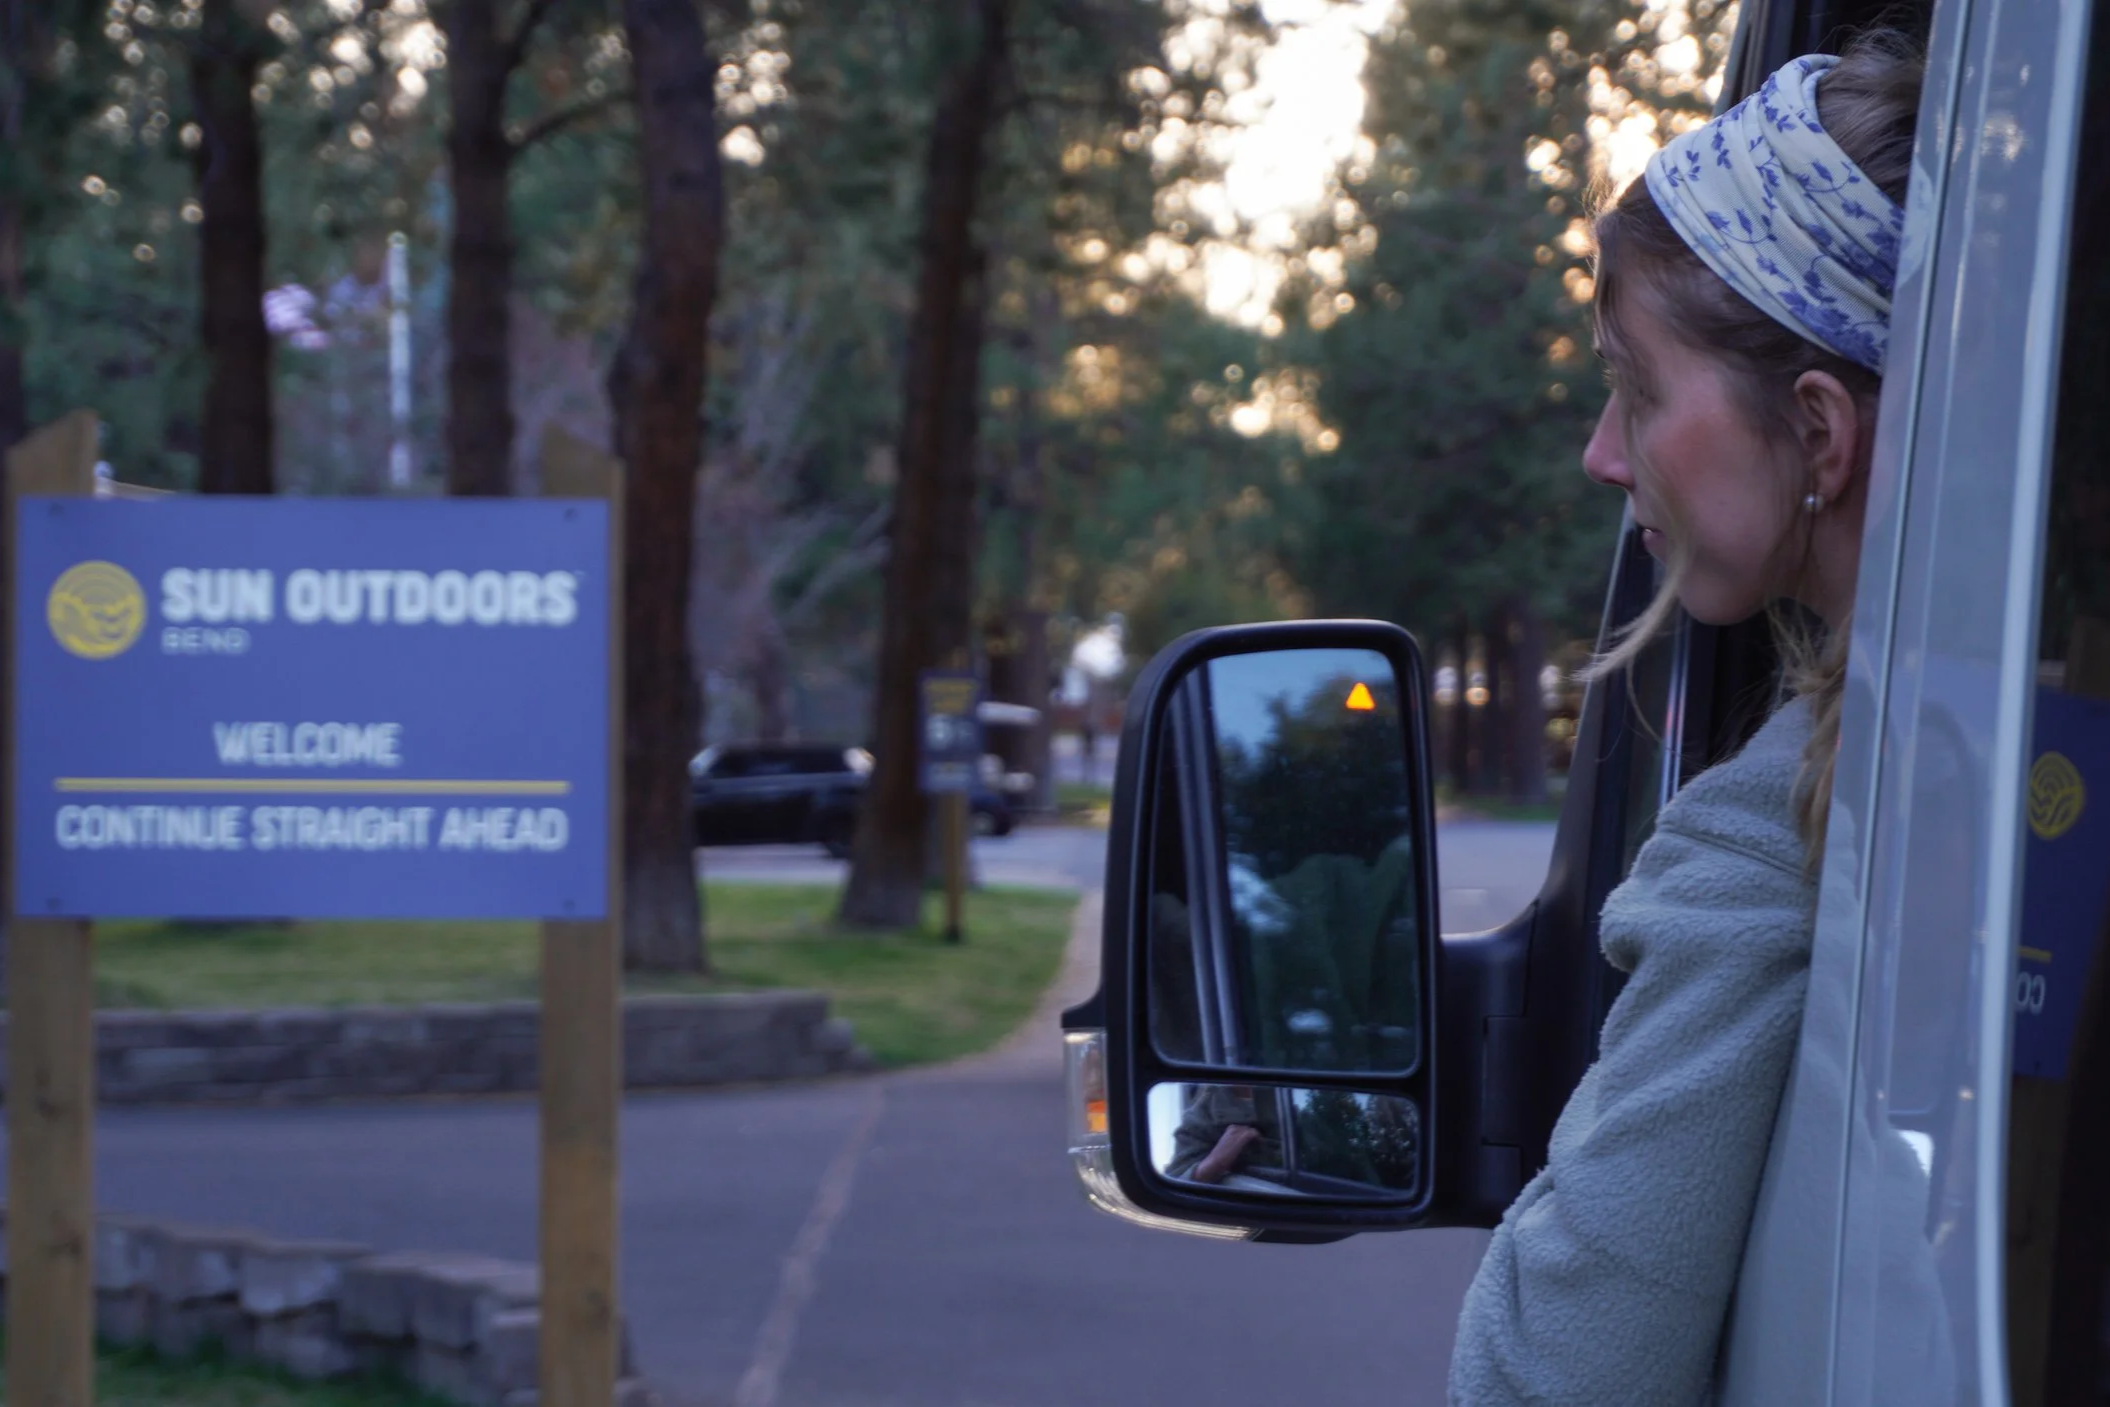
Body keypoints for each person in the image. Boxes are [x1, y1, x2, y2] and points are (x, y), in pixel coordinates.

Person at [1448, 34, 1938, 1406]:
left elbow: (1547, 1373)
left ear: (1820, 436)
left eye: (1638, 388)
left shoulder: (1770, 834)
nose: (1604, 455)